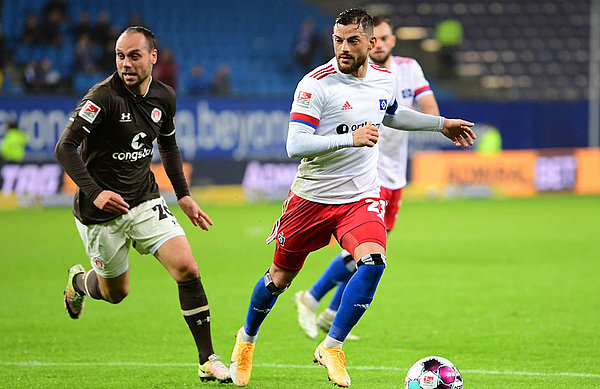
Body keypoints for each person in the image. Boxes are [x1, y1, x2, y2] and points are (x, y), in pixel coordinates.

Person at [228, 8, 475, 388]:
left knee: (373, 261)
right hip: (311, 198)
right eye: (337, 40)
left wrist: (441, 125)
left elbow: (392, 116)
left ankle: (332, 346)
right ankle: (246, 340)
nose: (343, 48)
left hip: (360, 195)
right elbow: (295, 144)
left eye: (352, 41)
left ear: (371, 43)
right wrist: (352, 137)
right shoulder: (315, 84)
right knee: (278, 279)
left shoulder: (384, 80)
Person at [54, 26, 231, 383]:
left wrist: (182, 194)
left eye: (134, 55)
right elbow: (64, 148)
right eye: (120, 56)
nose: (125, 63)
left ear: (153, 57)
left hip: (145, 199)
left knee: (187, 268)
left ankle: (207, 358)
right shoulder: (101, 97)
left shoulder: (164, 96)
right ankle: (78, 283)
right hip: (100, 213)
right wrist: (95, 191)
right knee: (115, 293)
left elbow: (167, 145)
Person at [293, 15, 441, 341]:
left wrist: (438, 123)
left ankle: (330, 312)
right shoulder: (347, 79)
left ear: (386, 41)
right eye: (380, 38)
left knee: (369, 253)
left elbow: (423, 110)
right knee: (366, 250)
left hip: (395, 174)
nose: (383, 44)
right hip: (370, 174)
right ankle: (313, 297)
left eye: (387, 38)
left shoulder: (404, 71)